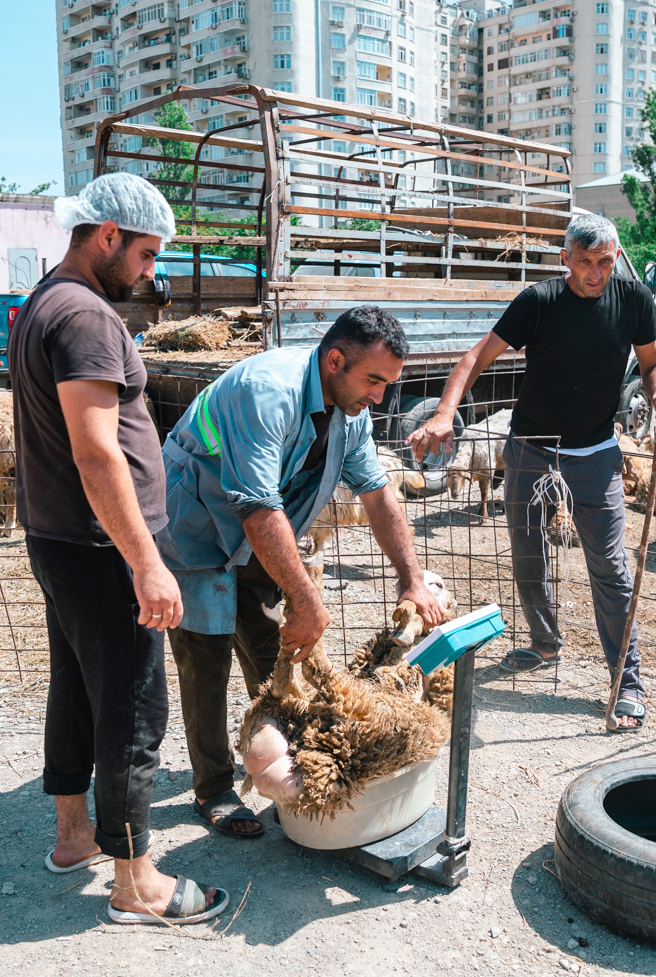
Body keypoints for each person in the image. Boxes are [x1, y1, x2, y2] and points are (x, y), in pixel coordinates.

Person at [10, 172, 226, 926]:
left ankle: (75, 838)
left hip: (60, 536)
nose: (150, 272)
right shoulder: (89, 318)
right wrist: (146, 561)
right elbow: (98, 453)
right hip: (103, 546)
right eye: (143, 255)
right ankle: (137, 882)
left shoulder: (43, 301)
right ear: (106, 237)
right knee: (134, 708)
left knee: (75, 687)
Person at [158, 306, 445, 837]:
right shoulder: (267, 393)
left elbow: (377, 494)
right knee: (207, 653)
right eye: (374, 380)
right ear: (335, 360)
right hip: (196, 525)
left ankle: (291, 757)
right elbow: (257, 505)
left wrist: (411, 575)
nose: (380, 397)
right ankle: (215, 787)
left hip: (259, 536)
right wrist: (307, 596)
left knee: (278, 650)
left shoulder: (351, 412)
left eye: (388, 384)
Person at [407, 214, 656, 730]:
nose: (595, 274)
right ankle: (544, 643)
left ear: (617, 256)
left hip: (596, 450)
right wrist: (444, 415)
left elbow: (653, 361)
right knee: (528, 553)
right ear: (565, 259)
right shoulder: (539, 301)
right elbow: (473, 358)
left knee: (611, 567)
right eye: (584, 263)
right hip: (530, 446)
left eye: (605, 262)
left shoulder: (635, 300)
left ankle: (627, 682)